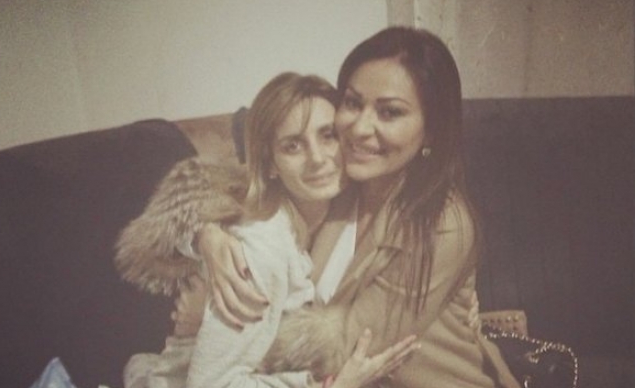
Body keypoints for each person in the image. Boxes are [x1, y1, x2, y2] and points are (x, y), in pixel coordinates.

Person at [118, 27, 519, 387]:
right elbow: (221, 188)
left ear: (430, 129)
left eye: (389, 112)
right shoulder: (336, 178)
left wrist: (213, 327)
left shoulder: (441, 221)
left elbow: (352, 345)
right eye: (353, 103)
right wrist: (206, 235)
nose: (360, 127)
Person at [118, 72, 419, 388]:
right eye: (293, 146)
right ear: (271, 164)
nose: (317, 159)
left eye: (328, 135)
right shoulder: (262, 247)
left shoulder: (344, 206)